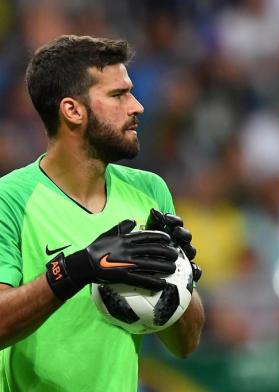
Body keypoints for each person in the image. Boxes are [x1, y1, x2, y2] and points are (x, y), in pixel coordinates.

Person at [0, 35, 204, 392]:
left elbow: (185, 344)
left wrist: (179, 275)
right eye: (118, 95)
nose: (137, 106)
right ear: (72, 110)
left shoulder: (150, 191)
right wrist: (77, 269)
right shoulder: (11, 199)